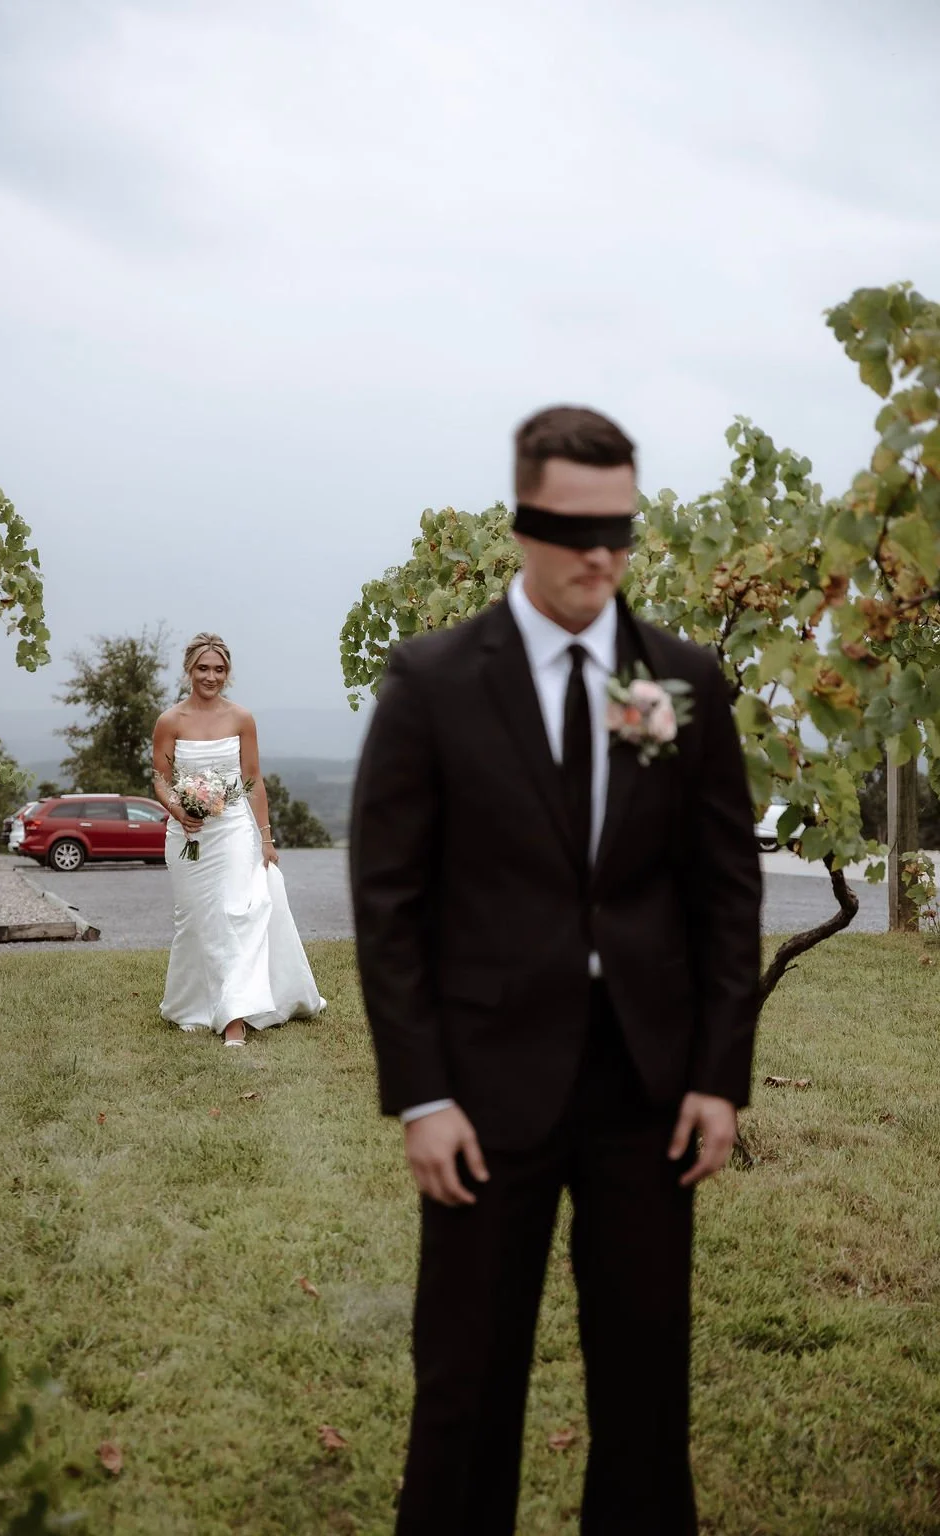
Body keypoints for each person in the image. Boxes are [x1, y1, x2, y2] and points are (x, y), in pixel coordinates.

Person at [349, 406, 762, 1535]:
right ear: (520, 522)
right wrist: (422, 1094)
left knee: (644, 1393)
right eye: (573, 528)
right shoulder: (434, 683)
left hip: (646, 1092)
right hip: (482, 1093)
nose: (599, 555)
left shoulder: (667, 685)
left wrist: (719, 1075)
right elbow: (388, 902)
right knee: (466, 1389)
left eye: (619, 530)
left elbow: (722, 891)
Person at [153, 633, 325, 1045]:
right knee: (194, 921)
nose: (211, 676)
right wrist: (178, 809)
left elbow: (252, 780)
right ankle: (192, 1006)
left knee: (232, 912)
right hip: (186, 834)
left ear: (227, 672)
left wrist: (265, 837)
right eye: (203, 668)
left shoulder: (242, 718)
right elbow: (161, 778)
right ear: (189, 670)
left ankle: (234, 1017)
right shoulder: (169, 721)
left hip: (231, 829)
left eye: (219, 669)